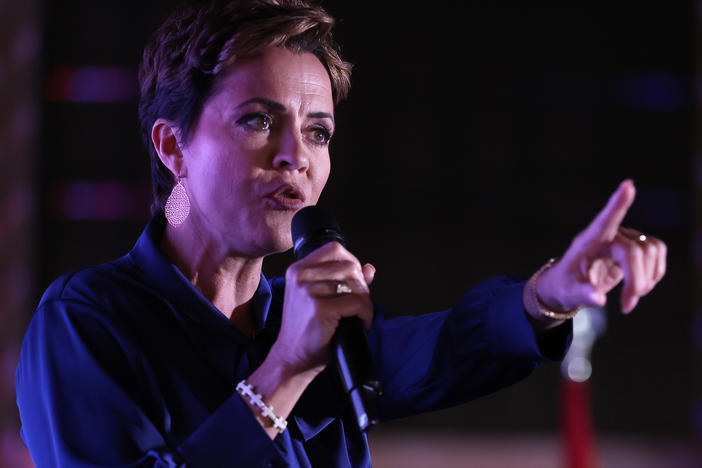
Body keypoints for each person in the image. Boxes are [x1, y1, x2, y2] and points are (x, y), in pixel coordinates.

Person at [15, 0, 667, 467]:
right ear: (172, 146)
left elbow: (439, 349)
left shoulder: (301, 319)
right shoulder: (85, 323)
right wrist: (281, 376)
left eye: (319, 130)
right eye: (257, 121)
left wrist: (549, 293)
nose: (295, 155)